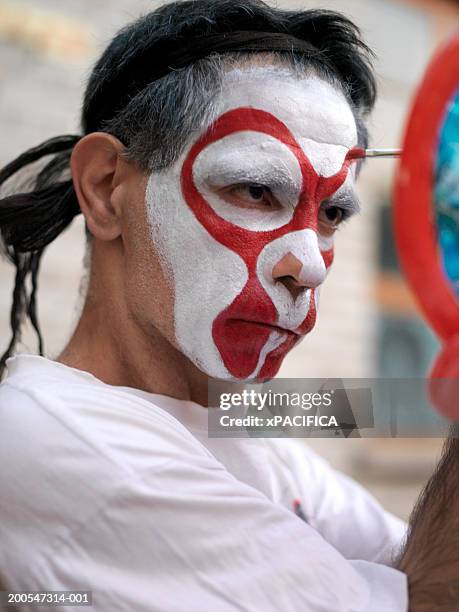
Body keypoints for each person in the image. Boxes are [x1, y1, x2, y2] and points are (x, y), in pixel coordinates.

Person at [0, 1, 457, 610]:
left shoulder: (247, 430)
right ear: (108, 189)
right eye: (255, 189)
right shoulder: (49, 435)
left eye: (332, 213)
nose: (312, 265)